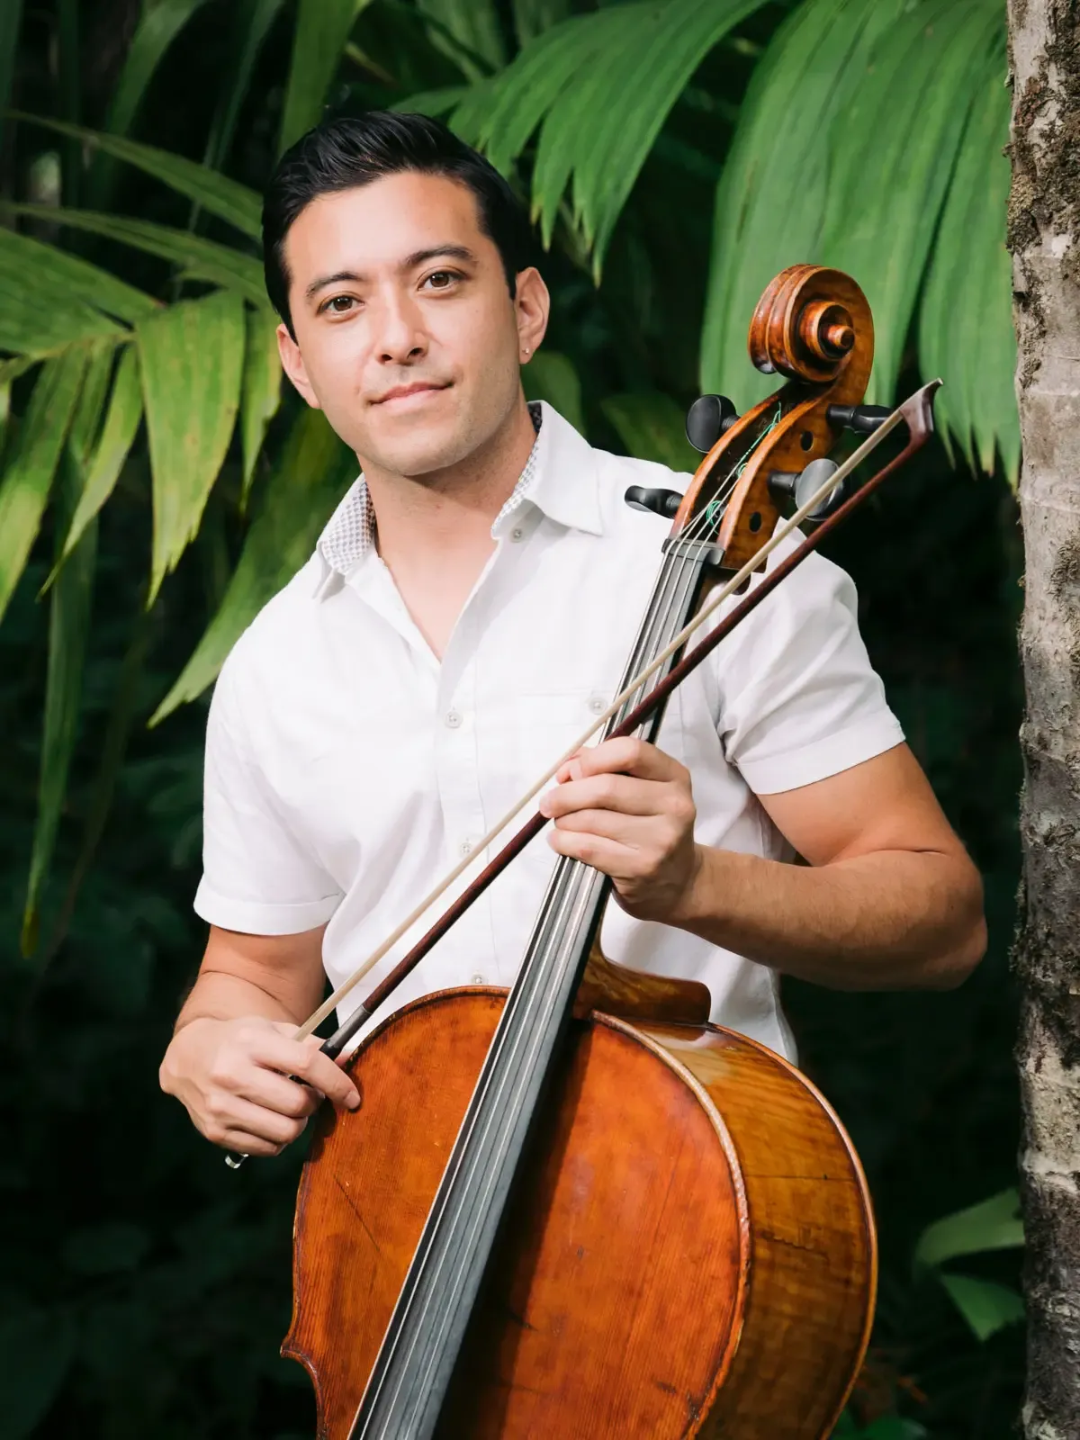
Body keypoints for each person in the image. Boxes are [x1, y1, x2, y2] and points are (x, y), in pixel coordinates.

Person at [159, 111, 986, 1159]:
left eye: (441, 280)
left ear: (526, 309)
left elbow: (942, 919)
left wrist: (698, 884)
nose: (397, 335)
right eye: (341, 303)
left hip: (683, 1231)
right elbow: (255, 974)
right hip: (393, 1237)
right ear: (300, 361)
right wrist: (205, 1042)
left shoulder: (716, 565)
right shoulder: (276, 667)